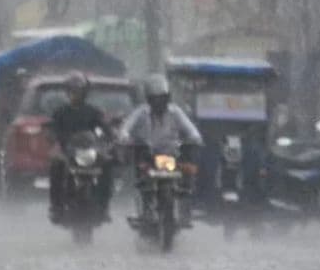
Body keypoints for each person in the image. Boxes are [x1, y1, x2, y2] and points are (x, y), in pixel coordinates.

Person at [119, 75, 204, 223]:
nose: (159, 103)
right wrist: (125, 138)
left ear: (167, 98)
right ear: (149, 100)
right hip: (148, 153)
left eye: (162, 98)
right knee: (140, 165)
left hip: (171, 154)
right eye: (155, 99)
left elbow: (191, 130)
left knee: (189, 160)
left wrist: (194, 138)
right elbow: (126, 127)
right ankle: (146, 206)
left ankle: (185, 195)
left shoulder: (175, 112)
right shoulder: (141, 112)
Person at [47, 72, 114, 223]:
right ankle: (57, 206)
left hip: (90, 152)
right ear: (67, 92)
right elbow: (52, 130)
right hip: (68, 152)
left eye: (78, 91)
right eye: (72, 91)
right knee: (56, 166)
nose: (75, 94)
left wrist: (109, 137)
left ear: (85, 93)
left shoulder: (93, 112)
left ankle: (103, 206)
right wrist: (54, 138)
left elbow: (104, 128)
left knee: (107, 164)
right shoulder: (60, 113)